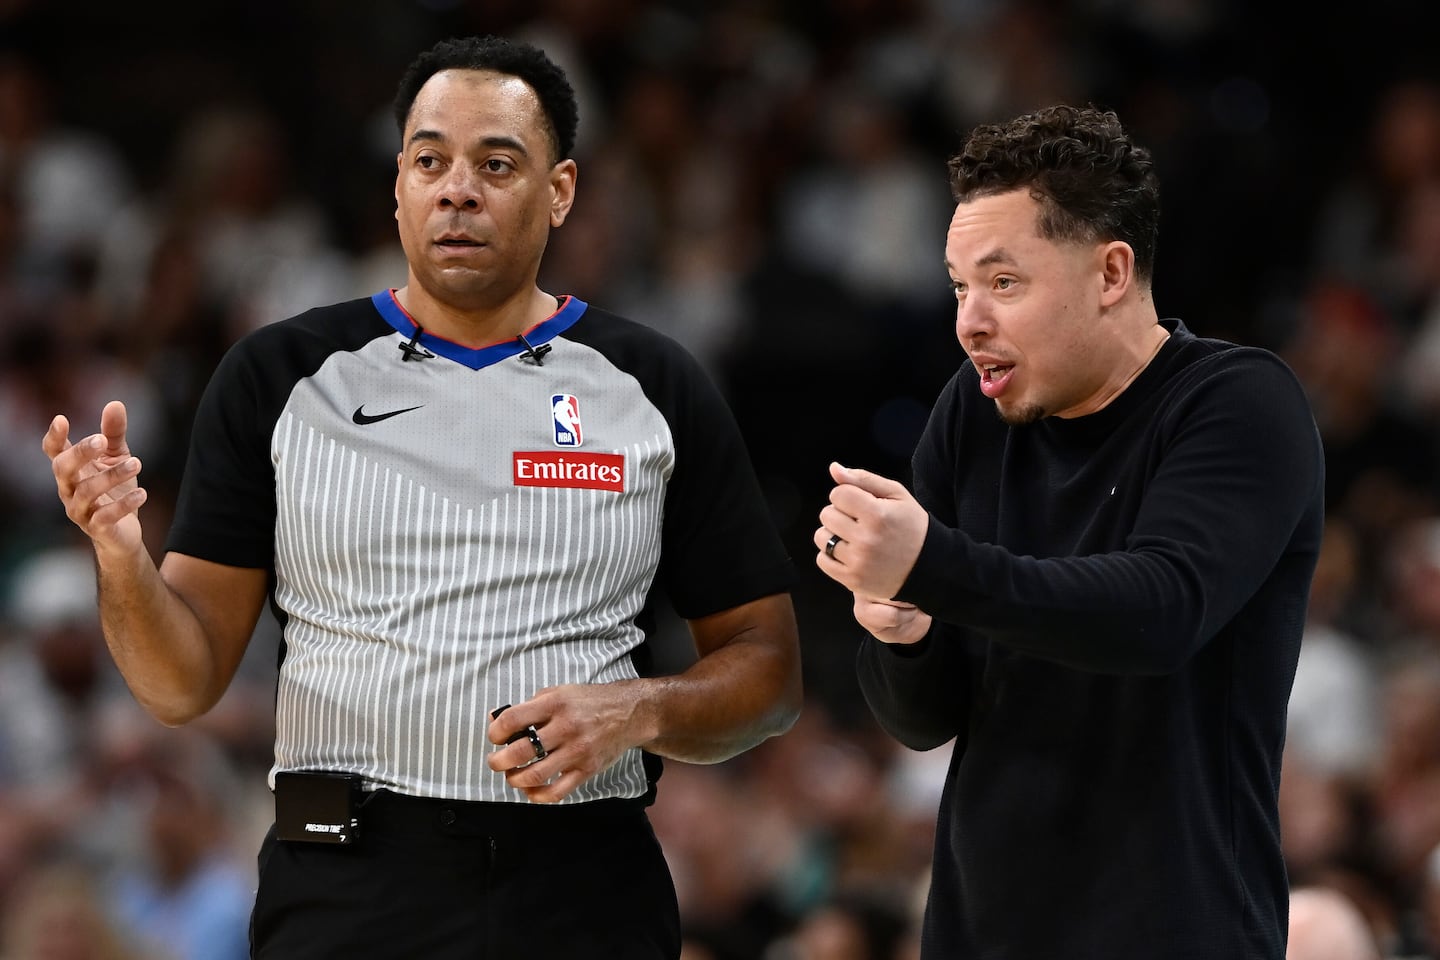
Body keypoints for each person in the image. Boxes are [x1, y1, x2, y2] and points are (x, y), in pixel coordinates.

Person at [43, 35, 801, 959]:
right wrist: (119, 551)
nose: (458, 190)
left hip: (581, 881)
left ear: (559, 191)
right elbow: (180, 683)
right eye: (431, 161)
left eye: (497, 164)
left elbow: (769, 671)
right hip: (347, 883)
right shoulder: (279, 377)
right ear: (399, 183)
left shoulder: (652, 385)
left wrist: (640, 710)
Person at [813, 104, 1325, 959]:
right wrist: (899, 628)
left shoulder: (1237, 403)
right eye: (958, 286)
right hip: (980, 932)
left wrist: (932, 566)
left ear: (1112, 272)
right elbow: (922, 720)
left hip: (1178, 930)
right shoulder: (970, 417)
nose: (968, 320)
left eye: (1003, 283)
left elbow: (1161, 610)